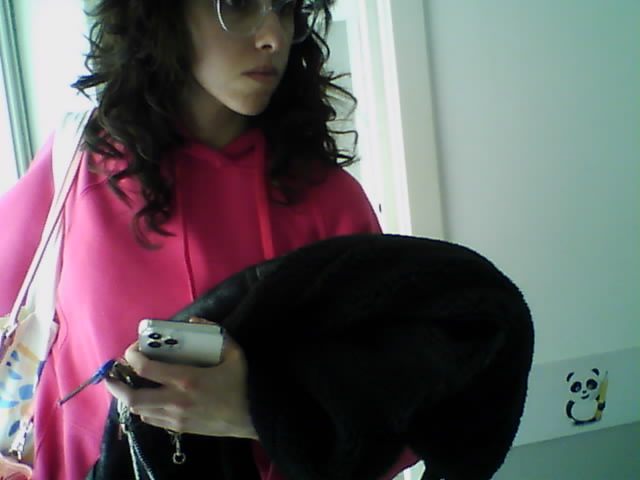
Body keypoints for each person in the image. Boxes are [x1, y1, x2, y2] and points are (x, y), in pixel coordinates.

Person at [0, 0, 418, 478]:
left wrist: (260, 413)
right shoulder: (77, 163)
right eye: (237, 4)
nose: (273, 37)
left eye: (285, 9)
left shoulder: (329, 201)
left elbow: (403, 410)